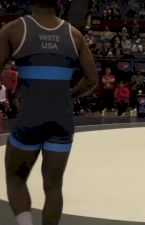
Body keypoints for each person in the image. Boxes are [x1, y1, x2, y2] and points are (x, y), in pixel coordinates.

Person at [0, 1, 98, 225]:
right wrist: (70, 94)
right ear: (58, 4)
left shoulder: (15, 29)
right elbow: (92, 79)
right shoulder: (74, 35)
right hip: (62, 119)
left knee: (15, 178)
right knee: (54, 186)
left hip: (31, 116)